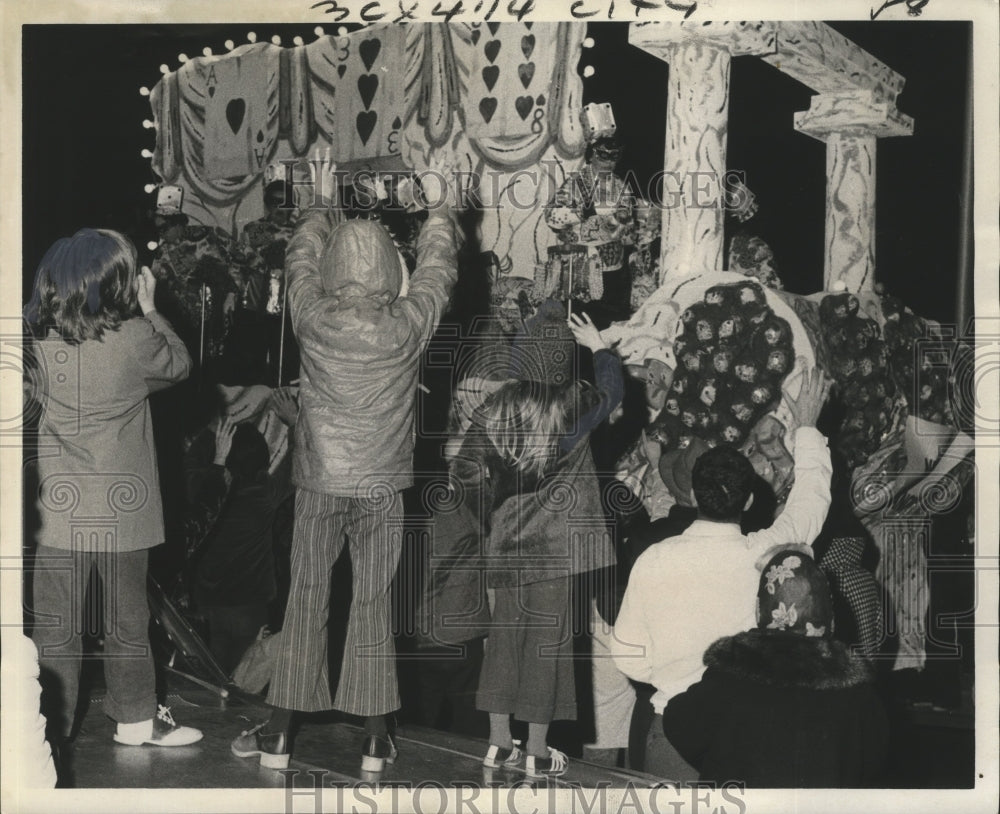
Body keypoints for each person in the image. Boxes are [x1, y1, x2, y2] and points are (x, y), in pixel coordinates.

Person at [231, 168, 461, 772]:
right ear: (389, 268)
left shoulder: (310, 317)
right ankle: (377, 737)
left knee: (305, 598)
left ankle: (281, 732)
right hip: (383, 485)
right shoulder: (408, 324)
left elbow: (299, 256)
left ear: (337, 269)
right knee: (374, 601)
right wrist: (437, 211)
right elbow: (440, 268)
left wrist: (322, 204)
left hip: (317, 482)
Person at [24, 228, 202, 760]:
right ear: (119, 285)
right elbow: (181, 364)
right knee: (127, 622)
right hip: (125, 516)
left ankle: (50, 735)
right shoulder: (134, 342)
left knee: (55, 629)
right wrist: (151, 309)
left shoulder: (31, 345)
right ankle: (135, 723)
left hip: (56, 513)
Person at [428, 303, 622, 778]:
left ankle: (498, 743)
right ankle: (537, 751)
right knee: (547, 648)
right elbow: (612, 393)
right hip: (556, 555)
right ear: (561, 364)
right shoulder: (572, 406)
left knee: (504, 643)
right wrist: (599, 349)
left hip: (505, 550)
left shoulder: (492, 413)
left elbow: (464, 479)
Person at [611, 366, 833, 778]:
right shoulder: (764, 554)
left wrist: (673, 674)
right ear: (749, 501)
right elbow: (810, 503)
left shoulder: (655, 559)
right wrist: (807, 429)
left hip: (673, 731)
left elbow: (627, 656)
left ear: (693, 495)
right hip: (750, 735)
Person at [662, 550, 889, 787]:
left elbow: (678, 724)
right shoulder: (857, 692)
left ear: (760, 609)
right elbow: (873, 761)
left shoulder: (730, 675)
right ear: (830, 615)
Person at [186, 400, 296, 675]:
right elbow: (296, 462)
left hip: (210, 605)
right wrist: (294, 424)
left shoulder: (206, 488)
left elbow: (190, 466)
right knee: (246, 680)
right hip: (251, 605)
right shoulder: (264, 493)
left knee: (212, 681)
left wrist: (214, 439)